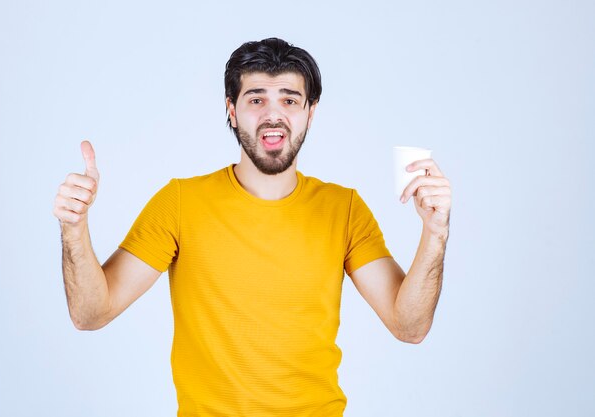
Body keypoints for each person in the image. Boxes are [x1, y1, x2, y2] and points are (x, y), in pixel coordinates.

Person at [53, 37, 451, 417]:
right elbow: (90, 313)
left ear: (310, 112)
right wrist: (75, 227)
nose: (272, 114)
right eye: (256, 99)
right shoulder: (180, 204)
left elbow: (409, 326)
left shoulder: (344, 209)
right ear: (231, 109)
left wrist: (434, 234)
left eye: (289, 100)